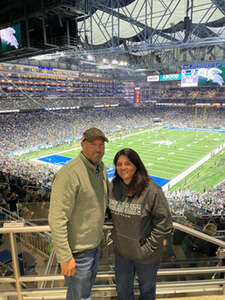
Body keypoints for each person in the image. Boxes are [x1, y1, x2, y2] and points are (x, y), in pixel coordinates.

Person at [48, 127, 109, 300]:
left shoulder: (100, 168)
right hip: (78, 253)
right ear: (82, 145)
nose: (98, 149)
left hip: (94, 247)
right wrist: (65, 257)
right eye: (93, 144)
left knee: (82, 294)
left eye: (101, 145)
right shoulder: (69, 174)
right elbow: (57, 218)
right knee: (80, 297)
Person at [108, 148, 173, 300]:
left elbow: (164, 222)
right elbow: (107, 211)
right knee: (123, 293)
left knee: (147, 293)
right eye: (119, 164)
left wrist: (147, 249)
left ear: (136, 165)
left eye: (127, 163)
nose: (123, 167)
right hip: (122, 253)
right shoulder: (113, 186)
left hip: (146, 256)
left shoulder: (152, 189)